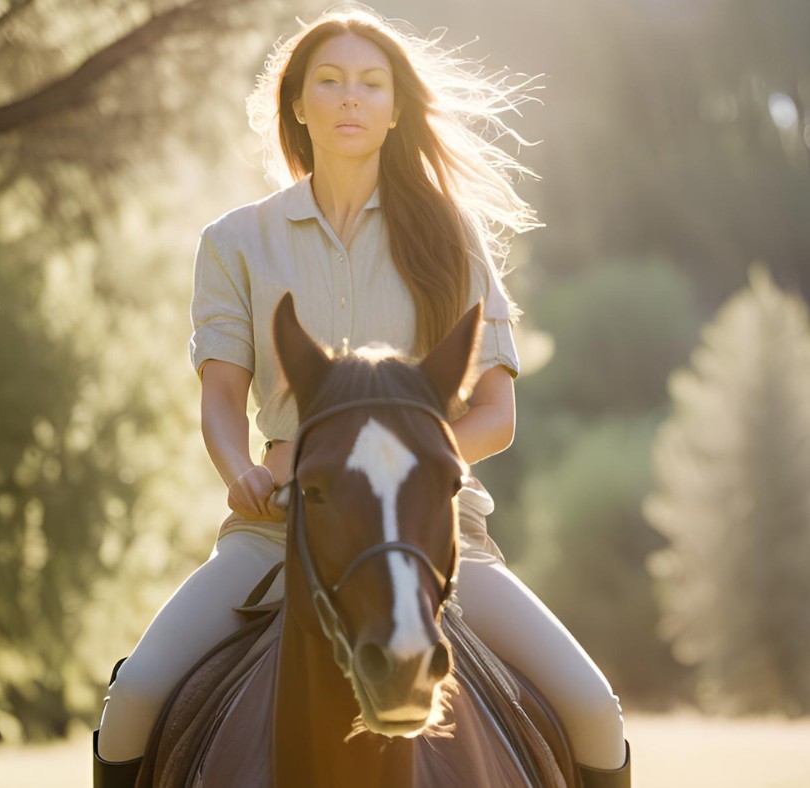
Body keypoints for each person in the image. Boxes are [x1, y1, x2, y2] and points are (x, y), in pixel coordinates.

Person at [92, 5, 631, 786]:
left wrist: (391, 467)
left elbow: (495, 415)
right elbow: (220, 398)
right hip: (273, 534)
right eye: (332, 82)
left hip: (434, 544)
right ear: (297, 105)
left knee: (593, 712)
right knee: (134, 699)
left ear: (396, 108)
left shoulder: (452, 235)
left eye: (371, 84)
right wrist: (240, 469)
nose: (352, 99)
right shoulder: (235, 242)